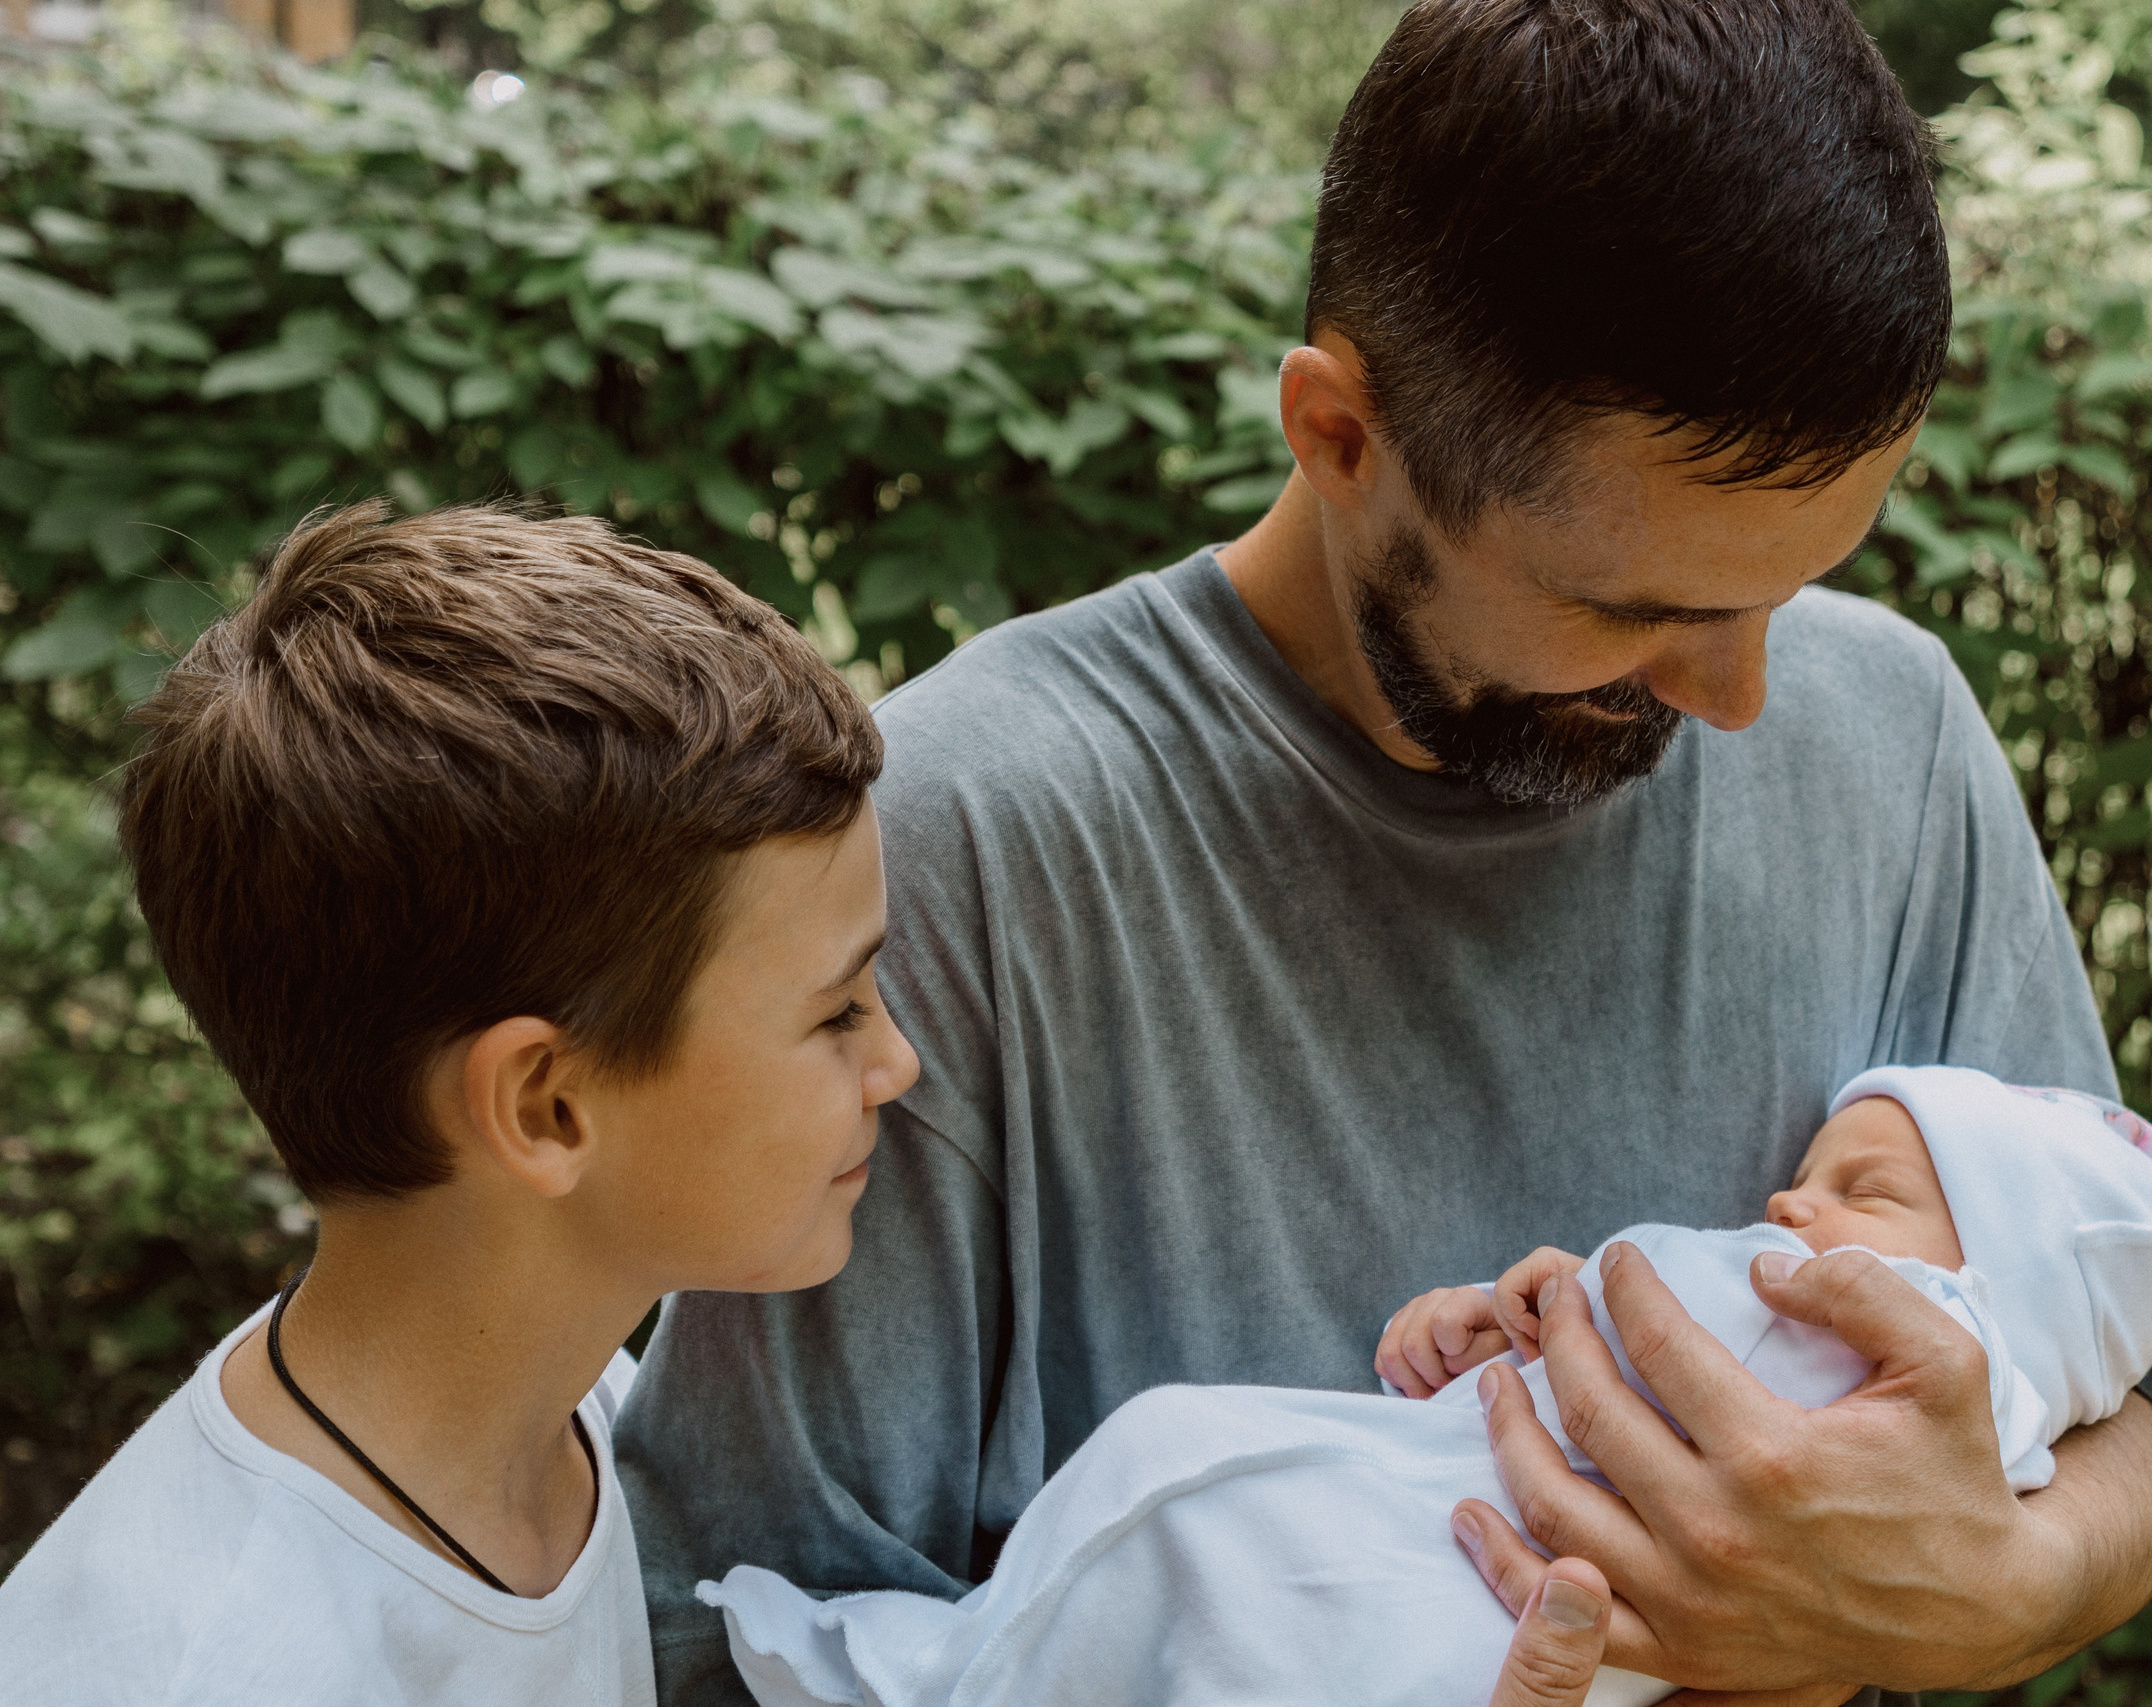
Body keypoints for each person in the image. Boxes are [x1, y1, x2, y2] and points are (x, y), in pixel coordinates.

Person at [615, 2, 2152, 1702]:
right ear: (1339, 433)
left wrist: (1987, 1585)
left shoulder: (1891, 732)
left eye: (1792, 586)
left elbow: (2141, 1397)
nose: (1744, 699)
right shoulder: (962, 852)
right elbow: (715, 1631)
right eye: (1637, 609)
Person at [0, 500, 1618, 1707]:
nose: (898, 1063)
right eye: (836, 1009)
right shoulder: (201, 1665)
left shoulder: (565, 1433)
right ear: (547, 1110)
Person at [694, 1067, 2152, 1707]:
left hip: (1482, 1622)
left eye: (1860, 1191)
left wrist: (1985, 1591)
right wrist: (1505, 1325)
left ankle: (945, 1675)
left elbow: (2103, 1422)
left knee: (1211, 1548)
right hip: (1446, 1516)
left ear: (2004, 1281)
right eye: (1809, 1174)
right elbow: (1621, 1340)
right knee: (1177, 1490)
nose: (1791, 1207)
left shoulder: (1968, 1365)